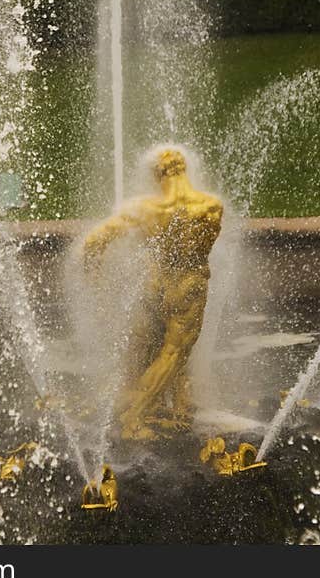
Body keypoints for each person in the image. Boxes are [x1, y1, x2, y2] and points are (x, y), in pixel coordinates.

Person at [82, 147, 223, 440]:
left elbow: (95, 241)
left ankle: (171, 404)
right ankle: (135, 417)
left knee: (162, 347)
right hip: (189, 285)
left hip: (157, 285)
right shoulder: (211, 206)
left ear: (158, 175)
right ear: (184, 169)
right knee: (173, 351)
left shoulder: (146, 209)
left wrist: (94, 275)